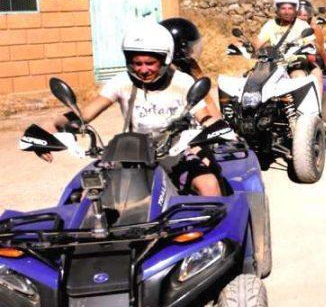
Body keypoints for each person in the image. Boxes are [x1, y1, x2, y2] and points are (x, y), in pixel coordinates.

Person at [35, 21, 223, 197]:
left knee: (209, 184)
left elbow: (205, 117)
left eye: (150, 63)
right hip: (132, 154)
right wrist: (50, 126)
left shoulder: (182, 82)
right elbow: (83, 115)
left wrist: (218, 129)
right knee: (89, 194)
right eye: (136, 63)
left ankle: (218, 232)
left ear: (165, 60)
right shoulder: (122, 82)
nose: (142, 70)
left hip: (173, 153)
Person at [255, 0, 324, 97]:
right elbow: (258, 44)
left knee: (300, 77)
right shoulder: (270, 25)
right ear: (277, 9)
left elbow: (313, 45)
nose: (286, 12)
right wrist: (253, 50)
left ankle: (312, 111)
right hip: (273, 65)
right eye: (283, 8)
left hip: (295, 64)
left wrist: (310, 48)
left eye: (290, 8)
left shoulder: (302, 25)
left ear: (295, 9)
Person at [159, 17, 220, 118]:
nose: (191, 51)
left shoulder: (188, 67)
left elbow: (213, 112)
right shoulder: (176, 78)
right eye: (189, 48)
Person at [297, 0, 326, 73]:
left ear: (309, 15)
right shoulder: (290, 27)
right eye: (299, 14)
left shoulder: (314, 28)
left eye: (305, 14)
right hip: (291, 59)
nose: (302, 17)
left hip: (311, 59)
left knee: (316, 73)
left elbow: (321, 51)